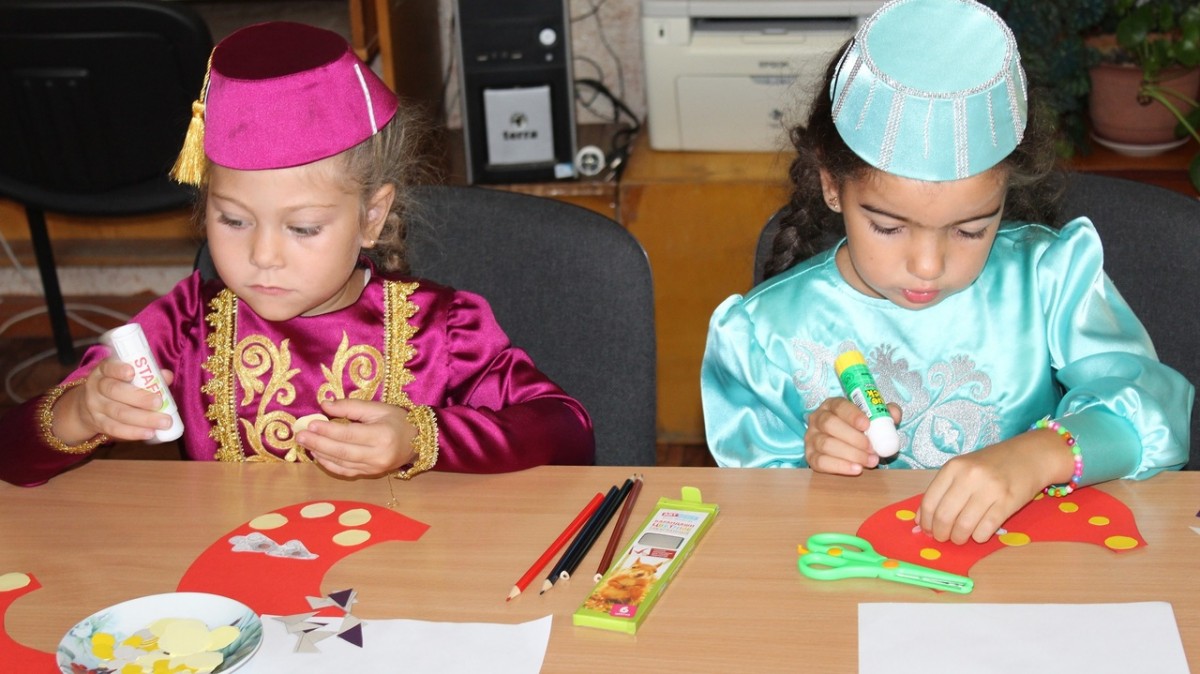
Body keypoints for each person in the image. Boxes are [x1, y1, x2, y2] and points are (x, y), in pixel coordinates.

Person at [0, 21, 594, 487]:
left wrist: (424, 437)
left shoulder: (441, 331)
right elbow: (11, 456)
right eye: (233, 220)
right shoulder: (184, 328)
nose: (263, 255)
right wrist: (81, 413)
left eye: (303, 228)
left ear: (371, 217)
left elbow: (569, 433)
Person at [701, 0, 1191, 545]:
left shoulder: (1048, 280)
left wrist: (1039, 456)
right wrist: (810, 456)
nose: (928, 266)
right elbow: (756, 523)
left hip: (1026, 577)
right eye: (889, 227)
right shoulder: (762, 334)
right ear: (832, 185)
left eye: (970, 230)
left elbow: (1154, 415)